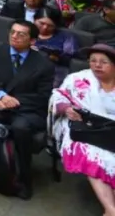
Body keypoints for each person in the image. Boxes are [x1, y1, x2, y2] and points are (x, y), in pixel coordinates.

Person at [0, 21, 53, 199]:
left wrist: (13, 102)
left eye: (21, 34)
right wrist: (1, 96)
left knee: (22, 129)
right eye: (13, 32)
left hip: (26, 108)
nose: (15, 36)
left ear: (33, 41)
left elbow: (43, 95)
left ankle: (23, 176)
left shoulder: (44, 64)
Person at [49, 44, 115, 215]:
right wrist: (66, 108)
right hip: (83, 128)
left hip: (111, 130)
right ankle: (110, 209)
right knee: (93, 152)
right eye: (93, 61)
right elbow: (58, 95)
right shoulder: (77, 79)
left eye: (103, 62)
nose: (97, 65)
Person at [32, 10, 78, 88]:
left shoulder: (66, 37)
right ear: (34, 20)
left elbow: (70, 59)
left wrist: (50, 56)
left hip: (54, 71)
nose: (45, 27)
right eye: (41, 23)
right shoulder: (26, 32)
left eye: (50, 25)